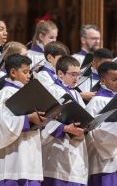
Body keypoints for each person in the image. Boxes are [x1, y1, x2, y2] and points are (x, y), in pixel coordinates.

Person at [0, 54, 45, 185]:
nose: (28, 75)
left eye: (29, 72)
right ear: (13, 72)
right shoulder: (5, 93)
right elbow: (3, 125)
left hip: (30, 158)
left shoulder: (28, 93)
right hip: (11, 162)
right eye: (25, 72)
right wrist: (28, 118)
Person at [41, 55, 88, 185]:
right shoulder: (52, 91)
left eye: (78, 74)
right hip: (56, 150)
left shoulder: (76, 93)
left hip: (75, 149)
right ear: (60, 73)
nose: (76, 78)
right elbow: (43, 121)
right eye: (73, 74)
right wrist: (65, 128)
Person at [0, 41, 28, 106]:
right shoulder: (0, 76)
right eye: (24, 56)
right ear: (13, 57)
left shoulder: (20, 75)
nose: (27, 59)